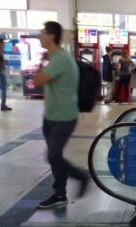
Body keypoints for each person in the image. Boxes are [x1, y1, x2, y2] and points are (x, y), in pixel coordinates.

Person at [33, 21, 89, 209]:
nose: (40, 35)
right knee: (54, 157)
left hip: (63, 118)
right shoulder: (54, 57)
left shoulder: (61, 59)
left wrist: (41, 64)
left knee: (53, 155)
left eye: (43, 32)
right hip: (51, 116)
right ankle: (60, 194)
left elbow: (38, 80)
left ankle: (82, 177)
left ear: (51, 36)